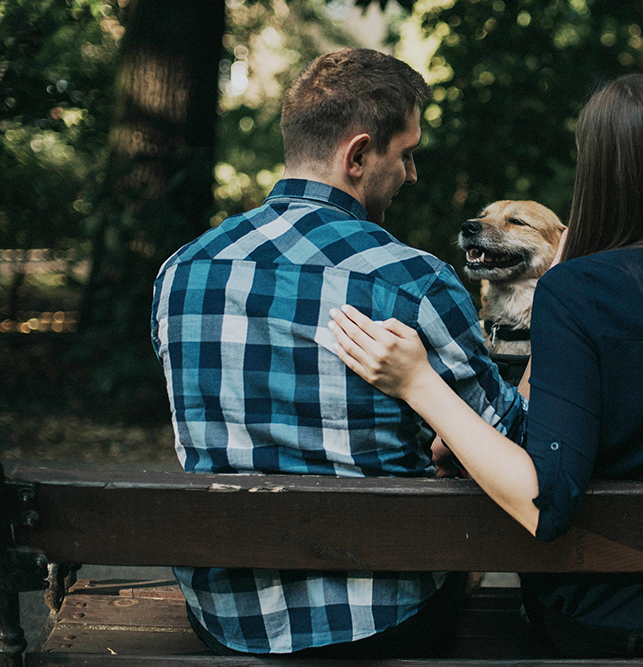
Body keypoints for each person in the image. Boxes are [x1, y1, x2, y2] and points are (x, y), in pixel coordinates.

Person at [326, 73, 643, 658]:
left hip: (606, 610)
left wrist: (419, 382)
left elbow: (544, 502)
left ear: (597, 168)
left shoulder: (576, 291)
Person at [150, 48, 527, 657]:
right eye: (405, 155)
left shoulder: (183, 270)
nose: (412, 175)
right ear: (356, 155)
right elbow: (512, 443)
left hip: (227, 618)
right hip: (383, 618)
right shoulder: (413, 281)